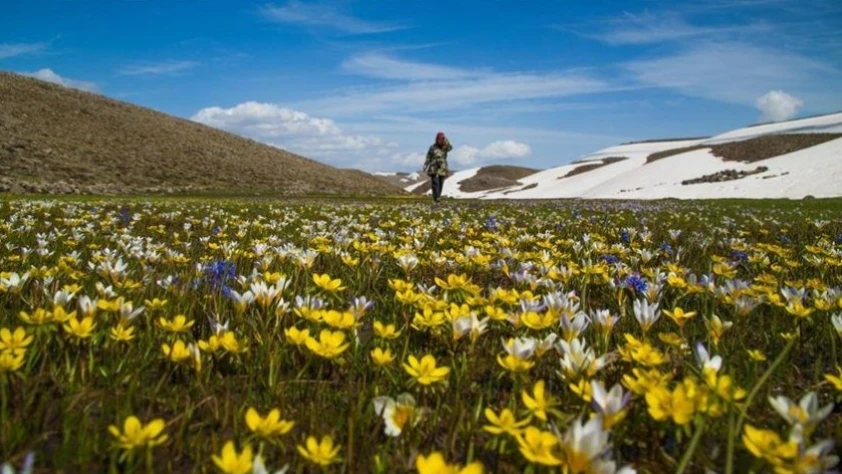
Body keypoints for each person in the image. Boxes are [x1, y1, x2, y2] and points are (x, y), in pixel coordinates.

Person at [423, 132, 452, 203]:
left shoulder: (445, 147)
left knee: (441, 182)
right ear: (436, 139)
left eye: (441, 139)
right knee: (435, 182)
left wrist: (446, 139)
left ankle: (438, 196)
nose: (440, 140)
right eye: (439, 139)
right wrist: (426, 164)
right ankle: (436, 197)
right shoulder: (432, 147)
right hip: (433, 167)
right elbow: (428, 156)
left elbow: (450, 147)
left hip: (442, 167)